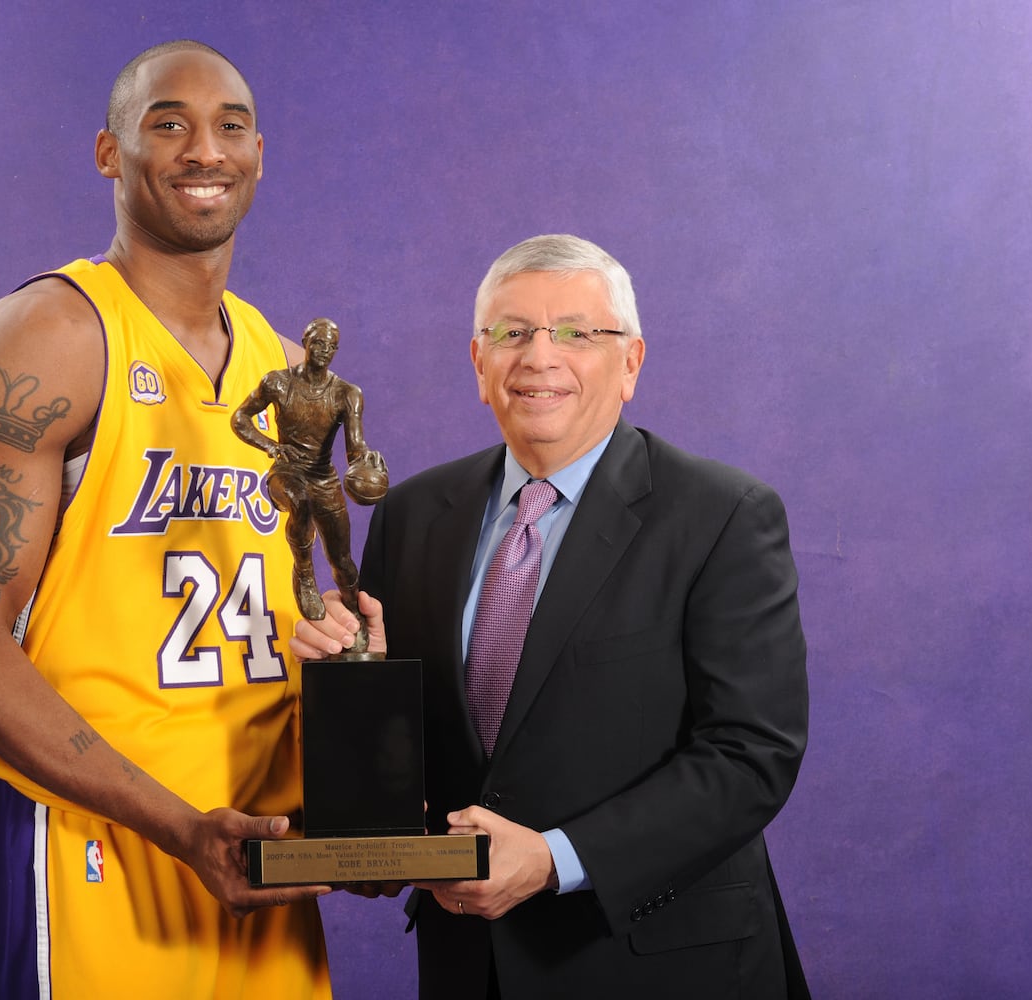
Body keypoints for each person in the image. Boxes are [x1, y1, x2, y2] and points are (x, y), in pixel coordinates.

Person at [0, 40, 332, 999]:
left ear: (259, 153)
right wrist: (176, 825)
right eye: (168, 123)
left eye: (229, 126)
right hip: (95, 840)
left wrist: (345, 655)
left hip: (256, 854)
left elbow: (271, 613)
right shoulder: (48, 335)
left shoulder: (273, 358)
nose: (204, 150)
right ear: (110, 153)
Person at [294, 234, 811, 999]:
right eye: (512, 333)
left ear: (630, 363)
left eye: (575, 332)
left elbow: (751, 754)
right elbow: (412, 753)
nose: (539, 357)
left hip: (660, 963)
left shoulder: (722, 515)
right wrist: (353, 689)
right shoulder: (412, 515)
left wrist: (552, 858)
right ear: (479, 363)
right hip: (470, 962)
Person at [231, 318, 386, 638]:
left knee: (343, 562)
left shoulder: (347, 394)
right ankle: (303, 572)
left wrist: (366, 462)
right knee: (299, 500)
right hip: (286, 473)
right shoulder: (278, 383)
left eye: (331, 346)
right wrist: (271, 446)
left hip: (323, 479)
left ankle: (355, 618)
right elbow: (240, 418)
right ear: (305, 342)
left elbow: (355, 448)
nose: (324, 351)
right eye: (318, 343)